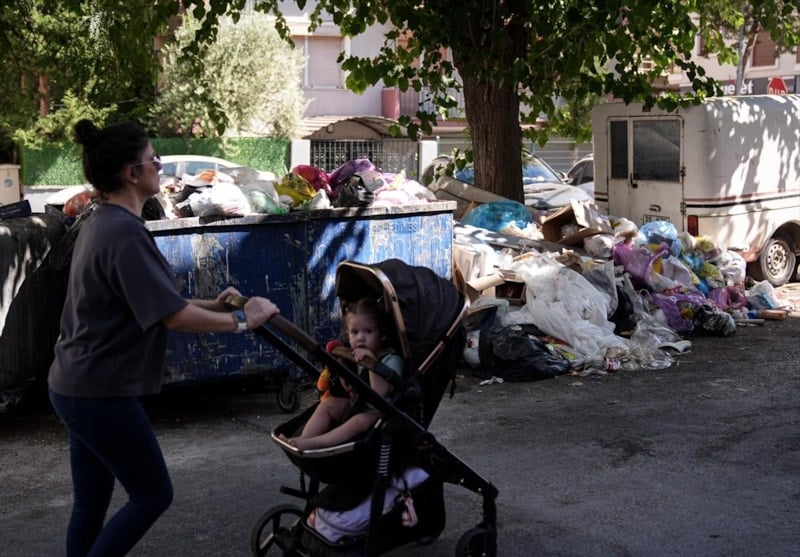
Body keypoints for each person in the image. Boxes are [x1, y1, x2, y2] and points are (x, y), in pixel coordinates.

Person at [47, 119, 280, 557]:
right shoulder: (122, 232)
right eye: (153, 159)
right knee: (152, 495)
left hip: (76, 384)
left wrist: (215, 305)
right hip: (99, 392)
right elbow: (172, 317)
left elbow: (152, 301)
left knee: (91, 505)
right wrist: (243, 321)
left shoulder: (104, 222)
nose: (159, 165)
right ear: (131, 173)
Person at [281, 297, 404, 451]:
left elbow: (380, 393)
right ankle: (304, 438)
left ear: (382, 334)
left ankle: (316, 443)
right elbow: (352, 387)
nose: (360, 337)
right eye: (354, 332)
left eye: (368, 331)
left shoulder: (392, 360)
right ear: (347, 334)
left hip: (381, 413)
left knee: (358, 421)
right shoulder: (356, 354)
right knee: (328, 404)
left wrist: (373, 363)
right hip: (358, 404)